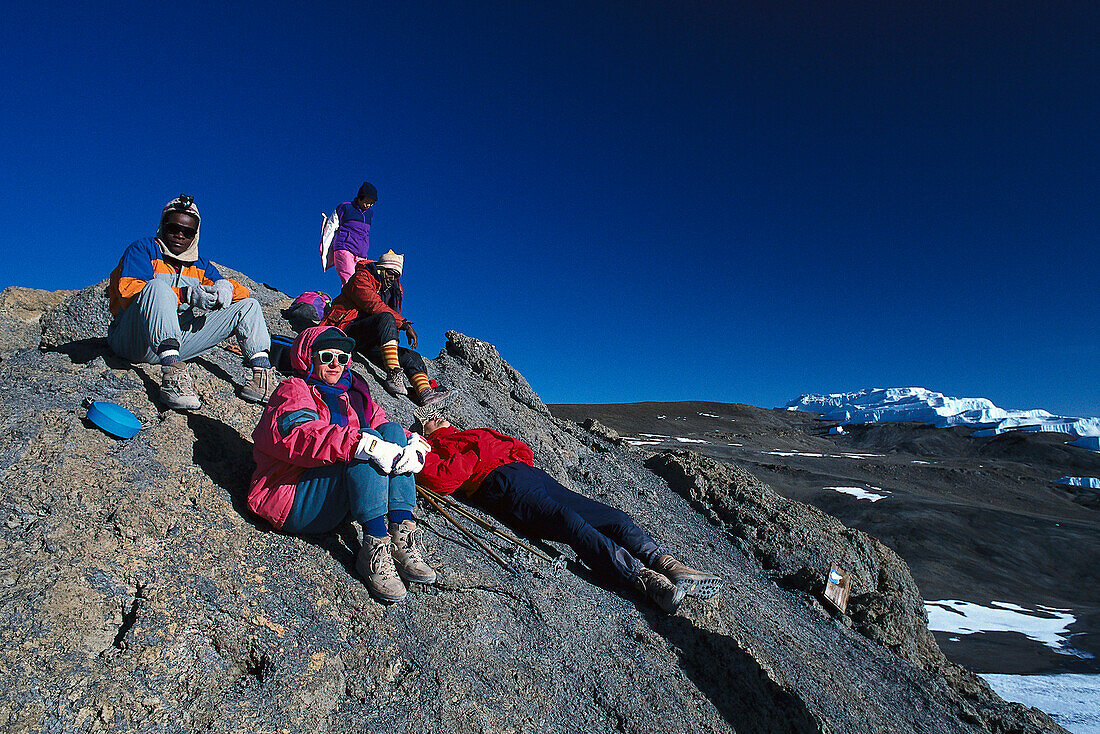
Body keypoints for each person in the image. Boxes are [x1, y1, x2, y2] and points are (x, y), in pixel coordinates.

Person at [415, 413, 722, 613]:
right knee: (570, 523)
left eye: (438, 415)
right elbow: (443, 478)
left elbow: (521, 449)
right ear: (425, 432)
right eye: (429, 419)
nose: (436, 417)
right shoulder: (437, 447)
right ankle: (645, 580)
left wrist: (515, 461)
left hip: (530, 477)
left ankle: (669, 564)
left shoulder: (472, 432)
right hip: (503, 486)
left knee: (614, 517)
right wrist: (426, 453)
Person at [248, 325, 436, 603]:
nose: (335, 364)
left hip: (329, 498)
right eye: (326, 357)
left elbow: (384, 427)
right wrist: (362, 443)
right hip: (291, 498)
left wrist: (414, 446)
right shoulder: (293, 389)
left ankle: (401, 533)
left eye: (342, 358)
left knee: (394, 432)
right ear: (308, 356)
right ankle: (374, 543)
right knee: (366, 441)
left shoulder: (353, 395)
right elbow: (297, 436)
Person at [107, 195, 276, 410]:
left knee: (249, 306)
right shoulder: (143, 249)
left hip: (176, 340)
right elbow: (130, 291)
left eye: (187, 232)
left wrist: (226, 288)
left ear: (195, 235)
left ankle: (261, 378)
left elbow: (241, 293)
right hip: (133, 340)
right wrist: (185, 295)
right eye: (173, 228)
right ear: (162, 227)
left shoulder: (200, 265)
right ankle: (172, 377)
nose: (180, 235)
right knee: (158, 288)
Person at [322, 249, 452, 406]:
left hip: (369, 340)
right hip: (347, 329)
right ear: (380, 268)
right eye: (390, 273)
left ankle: (425, 393)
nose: (393, 278)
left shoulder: (394, 290)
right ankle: (393, 374)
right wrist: (403, 324)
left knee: (412, 356)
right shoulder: (361, 277)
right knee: (386, 317)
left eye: (397, 275)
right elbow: (372, 304)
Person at [331, 182, 377, 285]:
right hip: (344, 248)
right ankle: (347, 301)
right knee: (350, 281)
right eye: (367, 202)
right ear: (360, 197)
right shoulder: (345, 207)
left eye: (372, 203)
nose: (368, 205)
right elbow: (332, 226)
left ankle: (350, 301)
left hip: (361, 254)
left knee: (362, 283)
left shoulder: (370, 214)